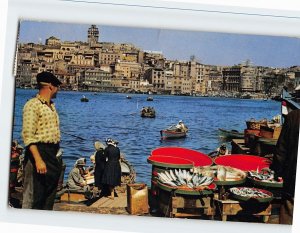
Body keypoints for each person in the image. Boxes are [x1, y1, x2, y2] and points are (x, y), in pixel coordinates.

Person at [21, 71, 62, 210]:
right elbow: (28, 136)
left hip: (51, 154)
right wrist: (38, 160)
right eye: (57, 86)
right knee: (34, 196)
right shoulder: (33, 105)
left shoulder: (51, 106)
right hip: (38, 153)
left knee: (48, 196)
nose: (58, 90)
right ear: (50, 86)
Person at [270, 109, 300, 225]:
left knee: (288, 215)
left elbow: (281, 150)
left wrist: (277, 171)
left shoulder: (294, 116)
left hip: (293, 179)